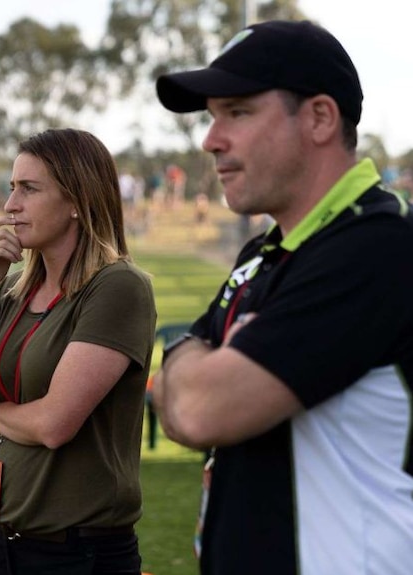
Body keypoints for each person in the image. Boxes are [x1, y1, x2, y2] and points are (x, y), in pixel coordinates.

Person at [151, 20, 413, 575]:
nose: (210, 139)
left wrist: (198, 362)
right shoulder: (264, 252)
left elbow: (196, 411)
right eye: (212, 115)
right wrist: (193, 360)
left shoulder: (378, 248)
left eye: (238, 113)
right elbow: (168, 388)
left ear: (319, 117)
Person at [0, 128, 157, 575]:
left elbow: (55, 424)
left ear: (78, 200)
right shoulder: (13, 292)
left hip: (77, 553)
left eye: (29, 189)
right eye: (11, 188)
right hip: (1, 541)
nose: (10, 205)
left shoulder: (117, 287)